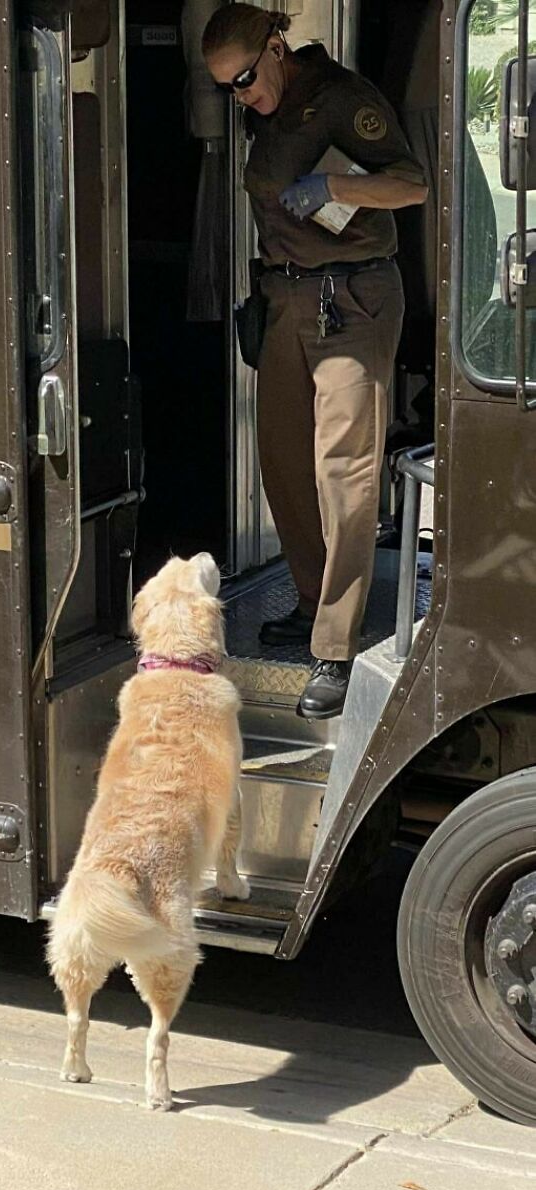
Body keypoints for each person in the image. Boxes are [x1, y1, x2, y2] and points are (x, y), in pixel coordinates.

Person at [202, 5, 428, 718]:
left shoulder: (342, 99)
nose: (241, 94)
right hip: (286, 300)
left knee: (345, 470)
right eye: (227, 89)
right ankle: (309, 599)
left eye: (245, 77)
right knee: (283, 462)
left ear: (276, 49)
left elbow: (410, 182)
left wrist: (334, 187)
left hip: (352, 299)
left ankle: (334, 645)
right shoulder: (260, 114)